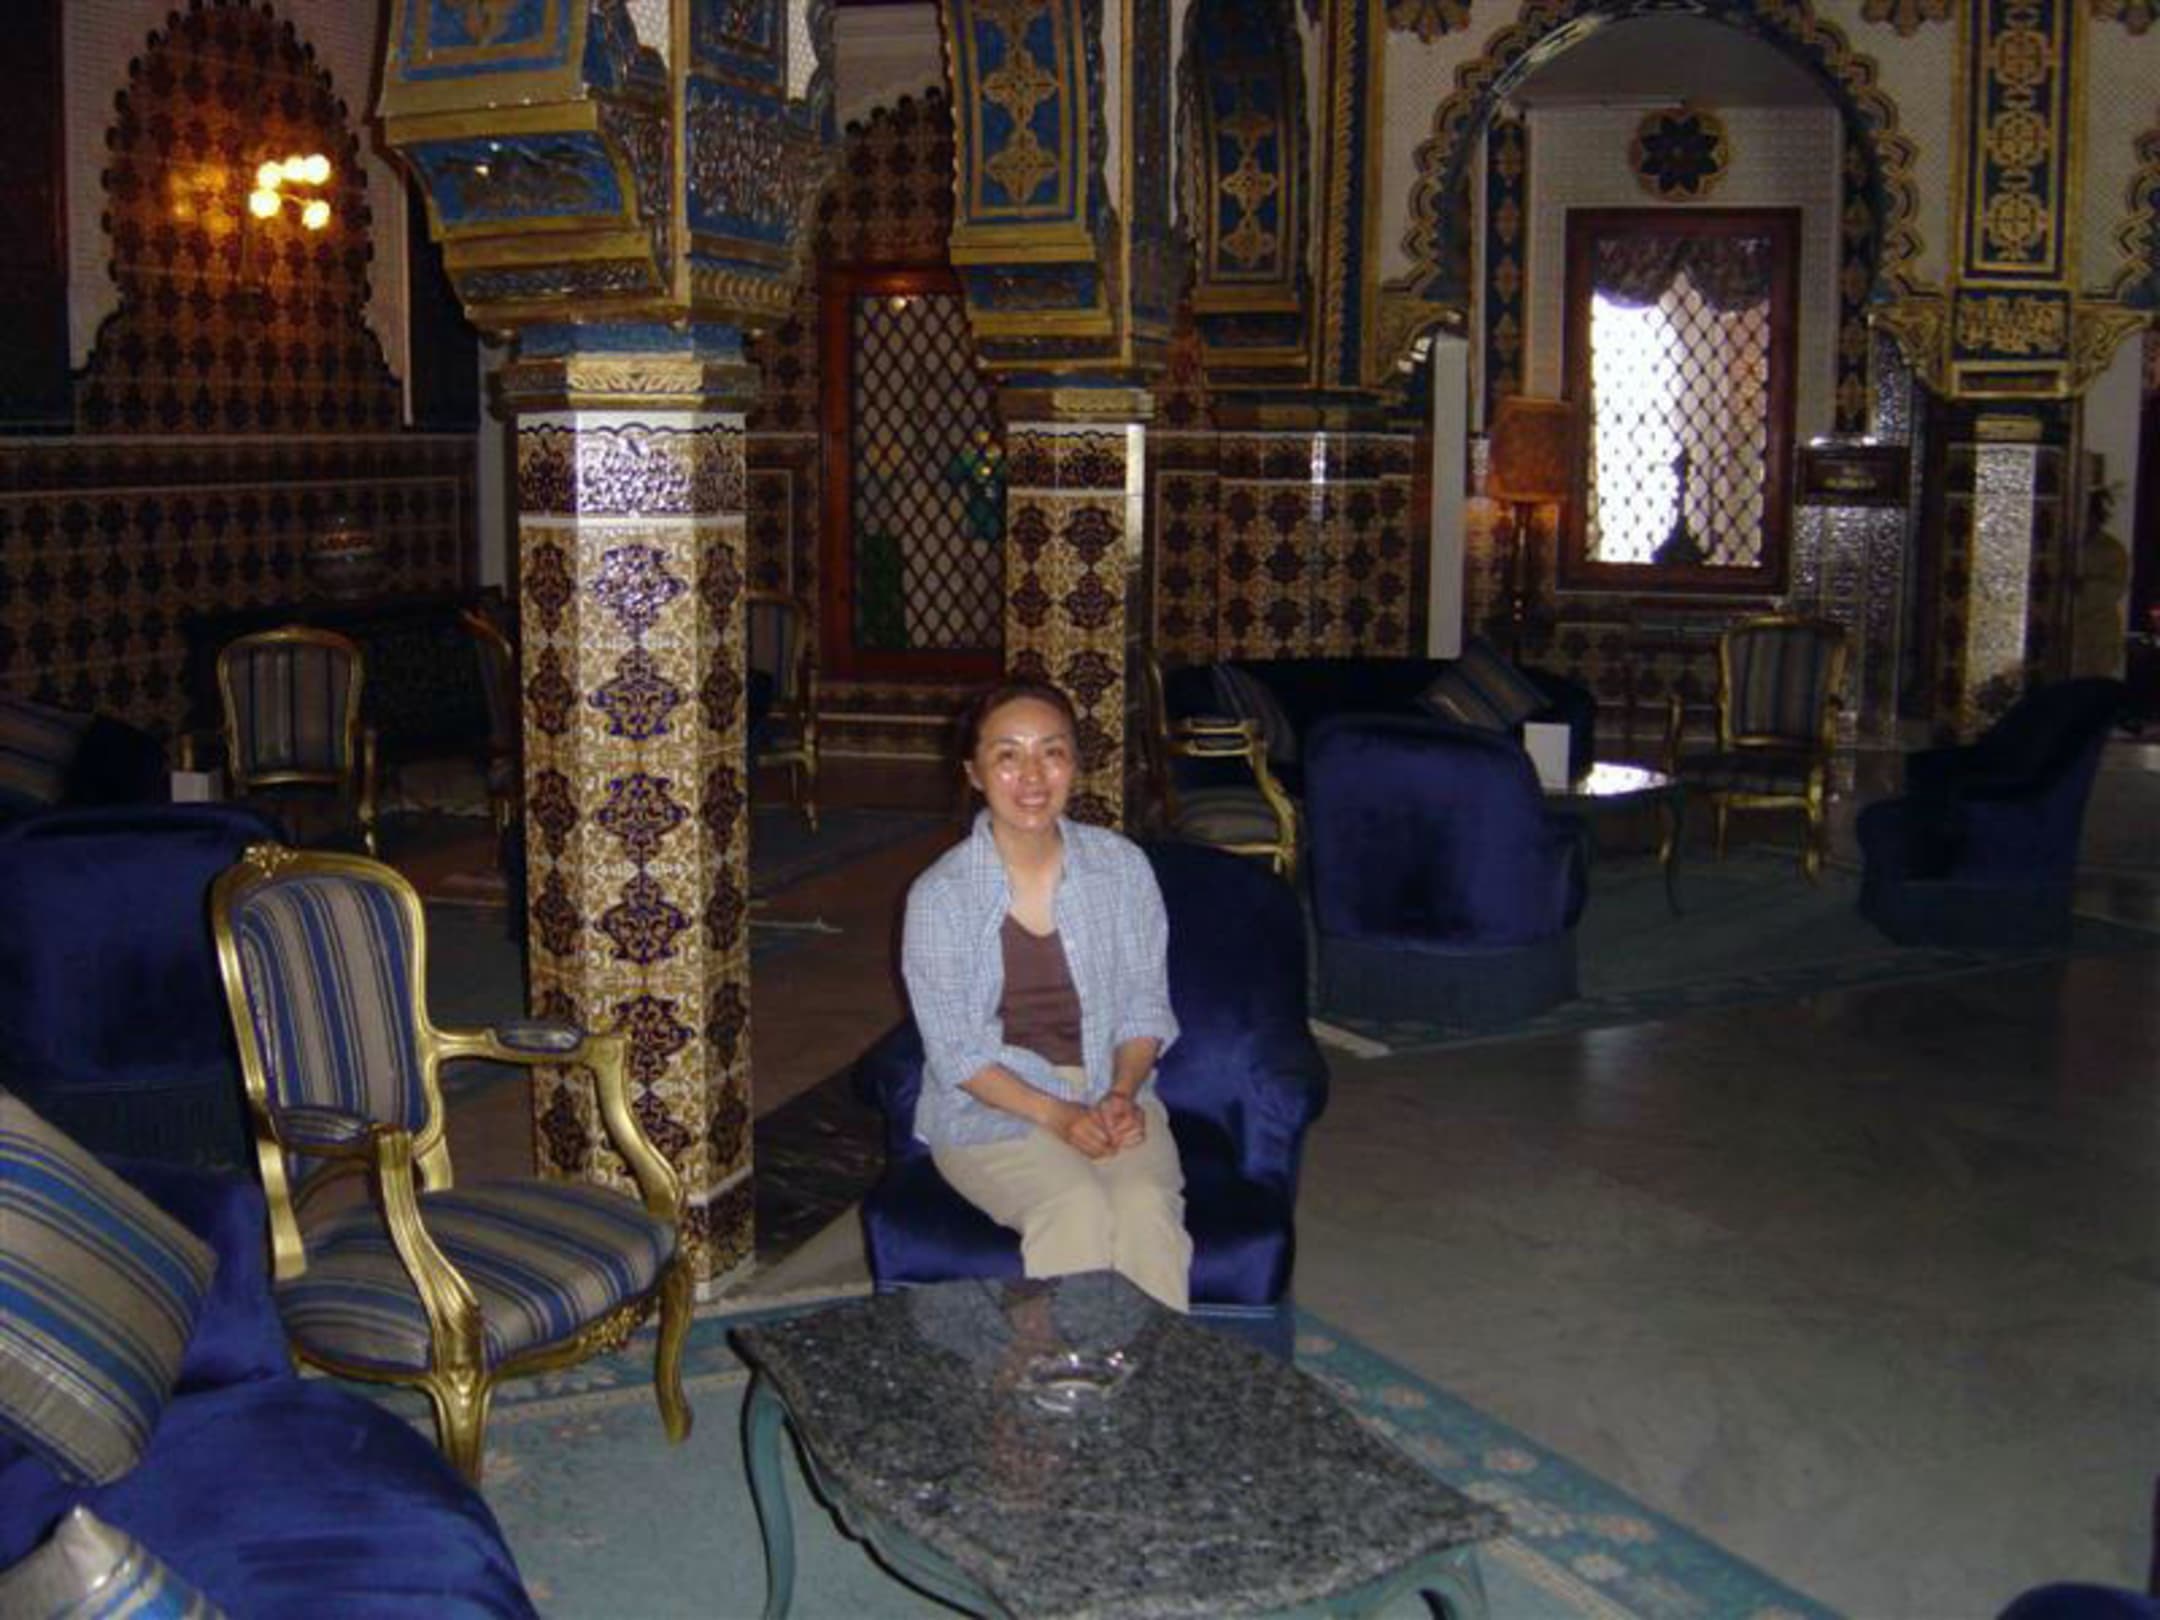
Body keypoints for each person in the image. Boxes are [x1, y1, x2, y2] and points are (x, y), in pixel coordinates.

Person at [901, 678, 1192, 1312]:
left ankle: (1150, 1372)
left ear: (1075, 765)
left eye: (1052, 752)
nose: (1032, 775)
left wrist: (1121, 1093)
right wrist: (1058, 1115)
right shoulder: (940, 897)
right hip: (992, 1108)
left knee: (1144, 1206)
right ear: (974, 773)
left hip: (1111, 1088)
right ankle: (1059, 1375)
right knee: (1074, 1205)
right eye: (1008, 754)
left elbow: (1145, 1004)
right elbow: (958, 1054)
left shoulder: (1122, 868)